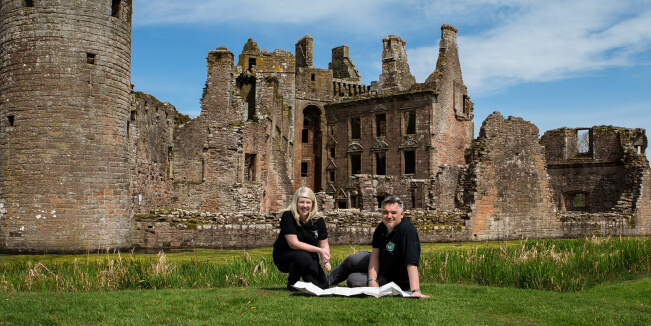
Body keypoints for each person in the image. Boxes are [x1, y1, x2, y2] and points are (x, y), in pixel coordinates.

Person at [326, 196, 429, 298]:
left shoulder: (407, 231)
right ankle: (324, 282)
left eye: (393, 213)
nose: (389, 216)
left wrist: (415, 290)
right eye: (385, 212)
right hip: (382, 261)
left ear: (401, 214)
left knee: (354, 280)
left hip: (394, 277)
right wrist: (372, 280)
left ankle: (364, 276)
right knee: (351, 260)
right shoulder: (382, 227)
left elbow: (411, 262)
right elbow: (375, 255)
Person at [273, 187, 331, 291]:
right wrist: (319, 250)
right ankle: (292, 283)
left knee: (322, 287)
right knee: (303, 258)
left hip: (309, 256)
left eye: (308, 202)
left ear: (312, 204)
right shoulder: (288, 216)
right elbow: (293, 244)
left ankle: (305, 279)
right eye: (301, 202)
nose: (305, 206)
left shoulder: (318, 220)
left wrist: (325, 259)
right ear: (296, 203)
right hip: (285, 255)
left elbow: (324, 243)